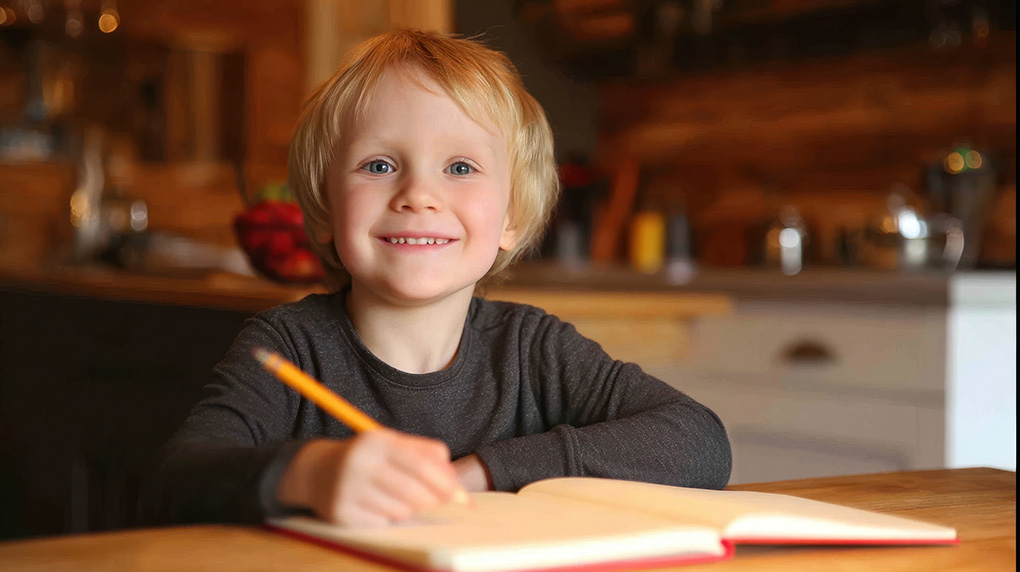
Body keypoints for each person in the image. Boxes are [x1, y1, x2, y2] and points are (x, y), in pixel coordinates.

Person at [152, 29, 731, 528]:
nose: (418, 196)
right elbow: (177, 481)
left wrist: (484, 472)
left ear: (513, 218)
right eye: (379, 165)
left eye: (460, 167)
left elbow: (698, 440)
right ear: (326, 210)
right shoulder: (286, 347)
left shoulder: (534, 349)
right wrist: (305, 475)